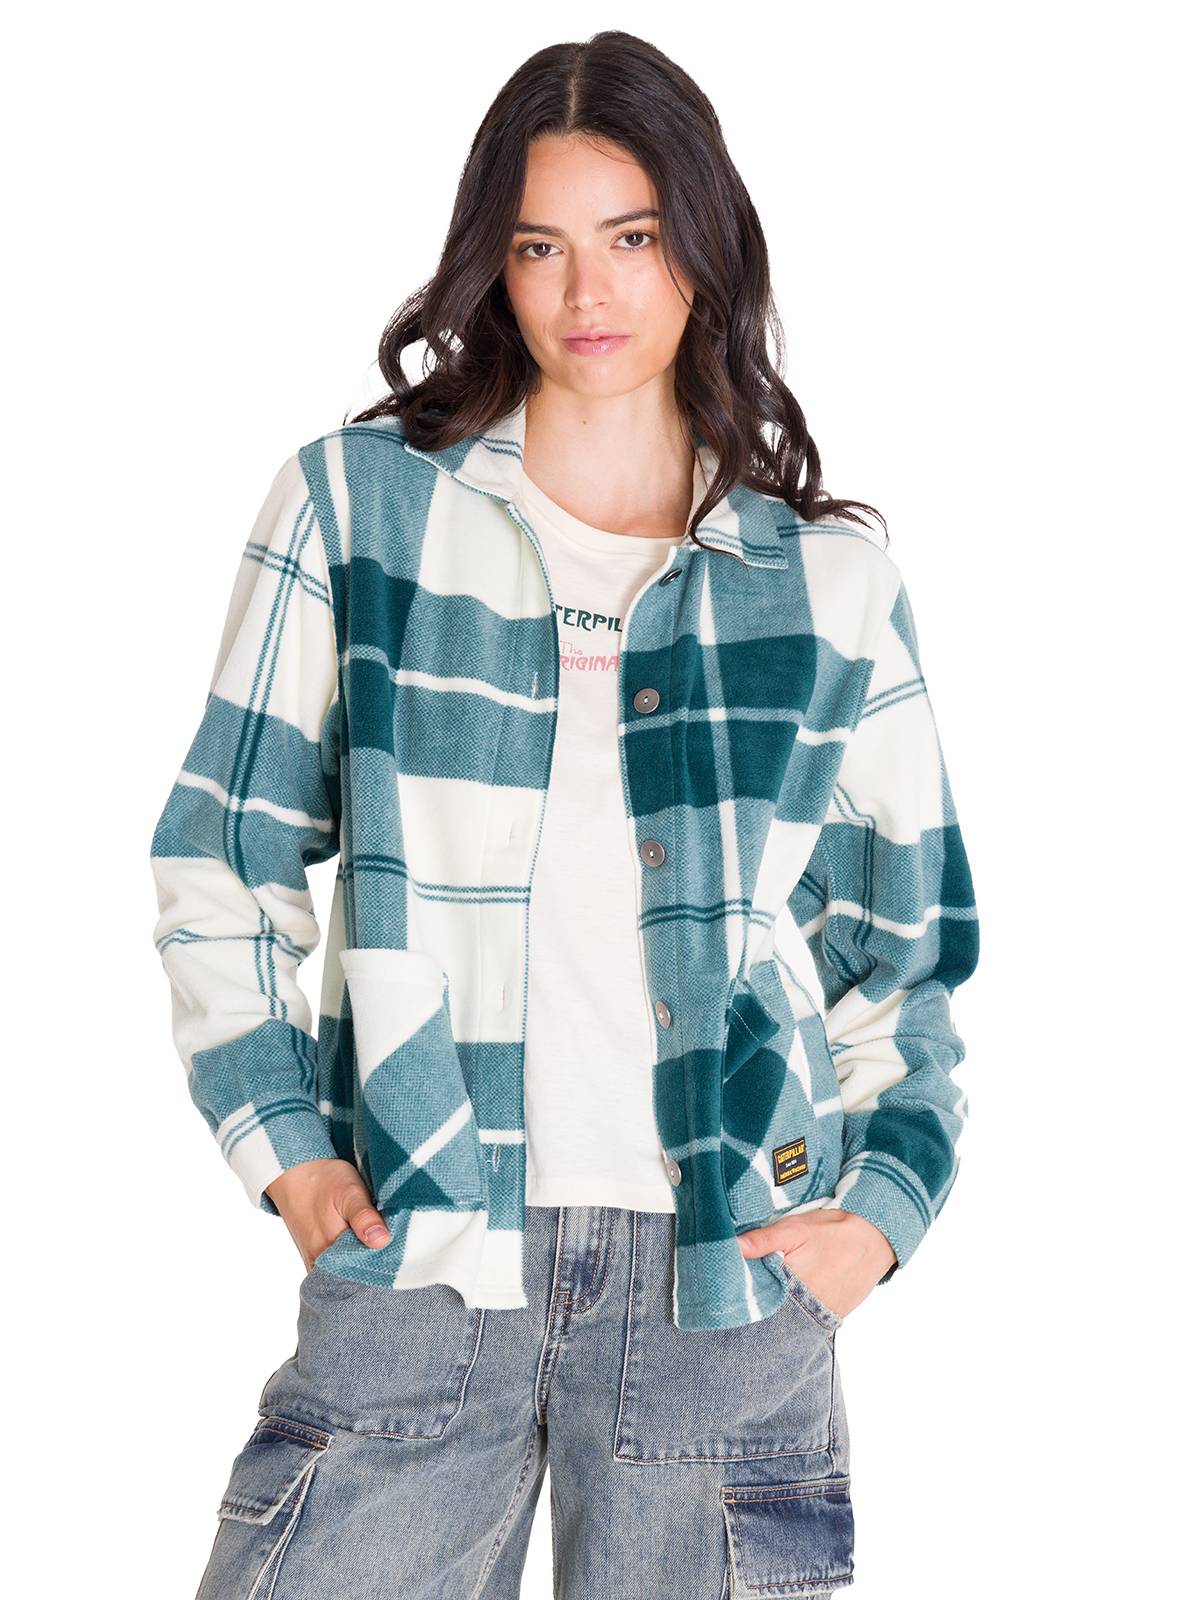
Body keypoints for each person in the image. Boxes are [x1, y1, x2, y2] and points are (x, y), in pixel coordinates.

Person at [148, 29, 980, 1599]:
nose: (588, 293)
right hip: (425, 1255)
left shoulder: (829, 586)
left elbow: (905, 956)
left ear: (703, 250)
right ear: (495, 262)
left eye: (633, 238)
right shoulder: (359, 511)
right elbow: (223, 852)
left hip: (725, 1285)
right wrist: (291, 1155)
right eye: (541, 247)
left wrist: (874, 1220)